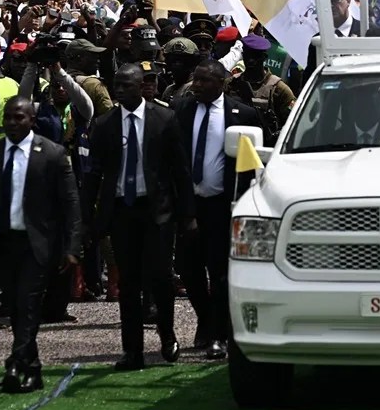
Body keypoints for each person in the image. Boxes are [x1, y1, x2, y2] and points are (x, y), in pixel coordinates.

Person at [0, 97, 82, 393]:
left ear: (32, 120)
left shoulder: (52, 154)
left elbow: (70, 204)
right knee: (14, 306)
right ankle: (33, 367)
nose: (13, 123)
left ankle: (15, 363)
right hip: (2, 242)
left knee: (28, 304)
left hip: (37, 243)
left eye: (20, 118)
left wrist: (72, 247)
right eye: (9, 119)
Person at [83, 64, 196, 371]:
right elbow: (94, 173)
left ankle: (167, 332)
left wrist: (187, 214)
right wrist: (88, 217)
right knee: (129, 283)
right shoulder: (105, 124)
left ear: (142, 86)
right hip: (122, 211)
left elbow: (180, 171)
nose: (120, 90)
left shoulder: (164, 119)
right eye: (116, 85)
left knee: (160, 277)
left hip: (156, 212)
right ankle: (132, 350)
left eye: (126, 85)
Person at [174, 60, 262, 360]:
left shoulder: (243, 115)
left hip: (223, 207)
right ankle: (205, 318)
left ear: (221, 83)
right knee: (188, 269)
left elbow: (252, 167)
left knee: (221, 272)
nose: (196, 85)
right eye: (195, 79)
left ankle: (218, 334)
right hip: (188, 205)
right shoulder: (181, 110)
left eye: (204, 80)